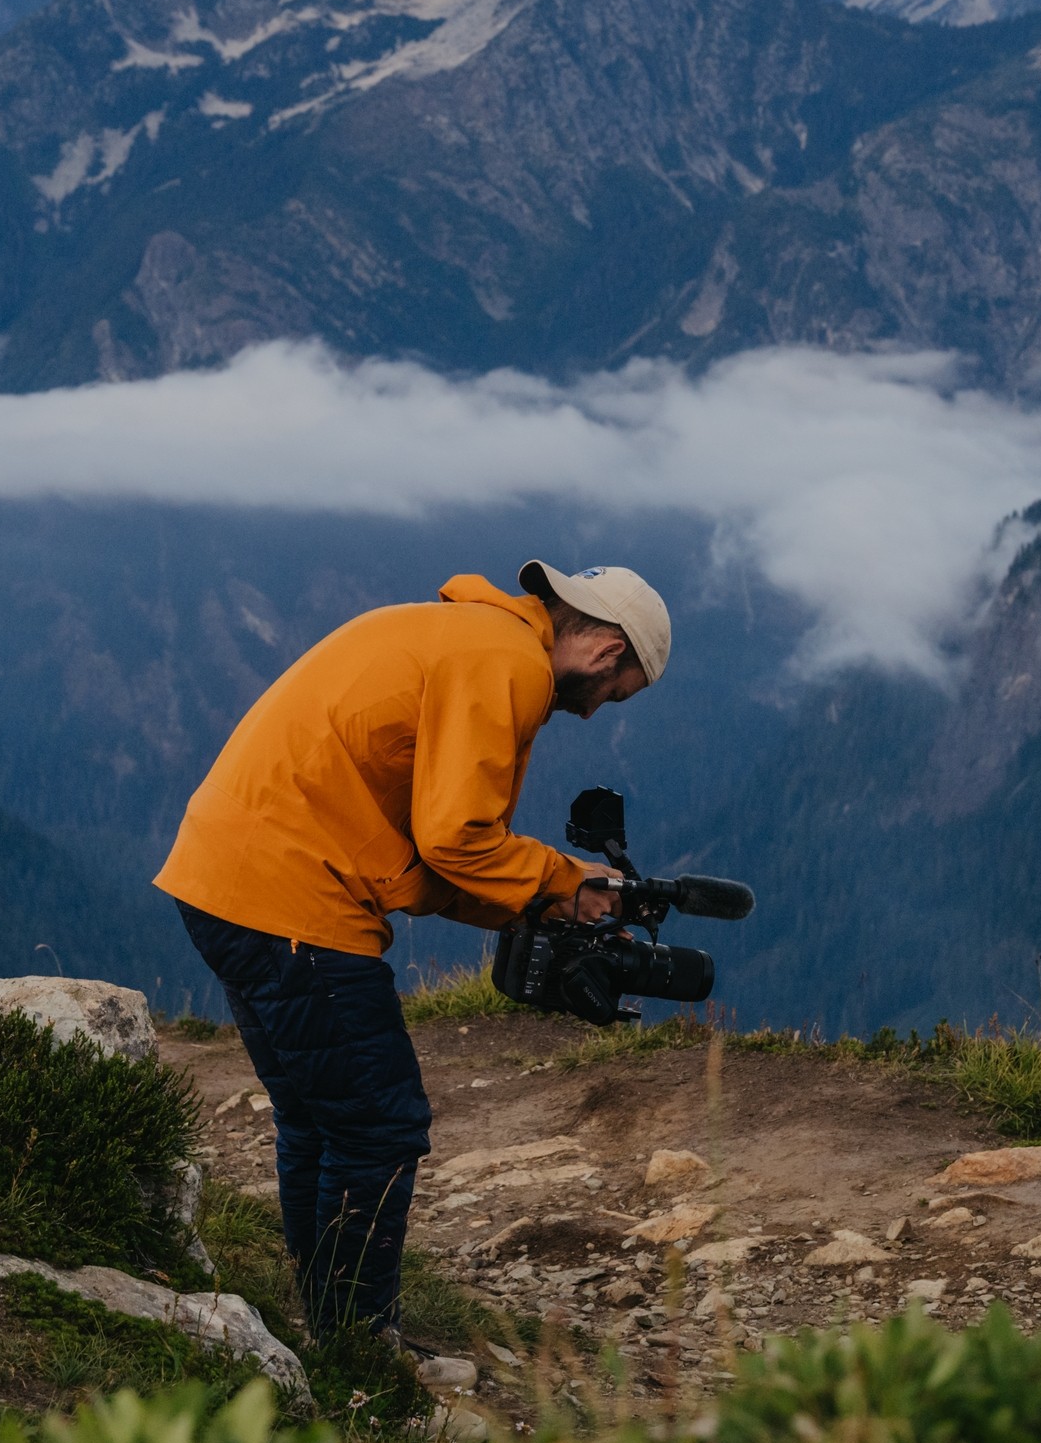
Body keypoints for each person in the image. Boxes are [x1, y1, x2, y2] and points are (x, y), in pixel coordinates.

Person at [155, 560, 671, 1341]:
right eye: (616, 692)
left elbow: (427, 855)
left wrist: (548, 900)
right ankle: (360, 1346)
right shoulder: (509, 665)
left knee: (320, 1120)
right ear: (605, 654)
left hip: (229, 877)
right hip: (292, 895)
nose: (597, 711)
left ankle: (330, 1328)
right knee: (380, 1126)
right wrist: (561, 878)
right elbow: (457, 840)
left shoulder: (469, 635)